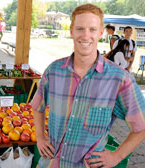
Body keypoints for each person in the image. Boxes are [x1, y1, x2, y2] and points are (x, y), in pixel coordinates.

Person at [31, 3, 145, 168]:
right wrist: (40, 138)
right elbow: (37, 106)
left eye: (92, 29)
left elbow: (141, 126)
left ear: (100, 33)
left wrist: (117, 156)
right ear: (71, 31)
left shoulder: (120, 79)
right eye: (80, 29)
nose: (85, 36)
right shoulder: (53, 71)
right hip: (51, 164)